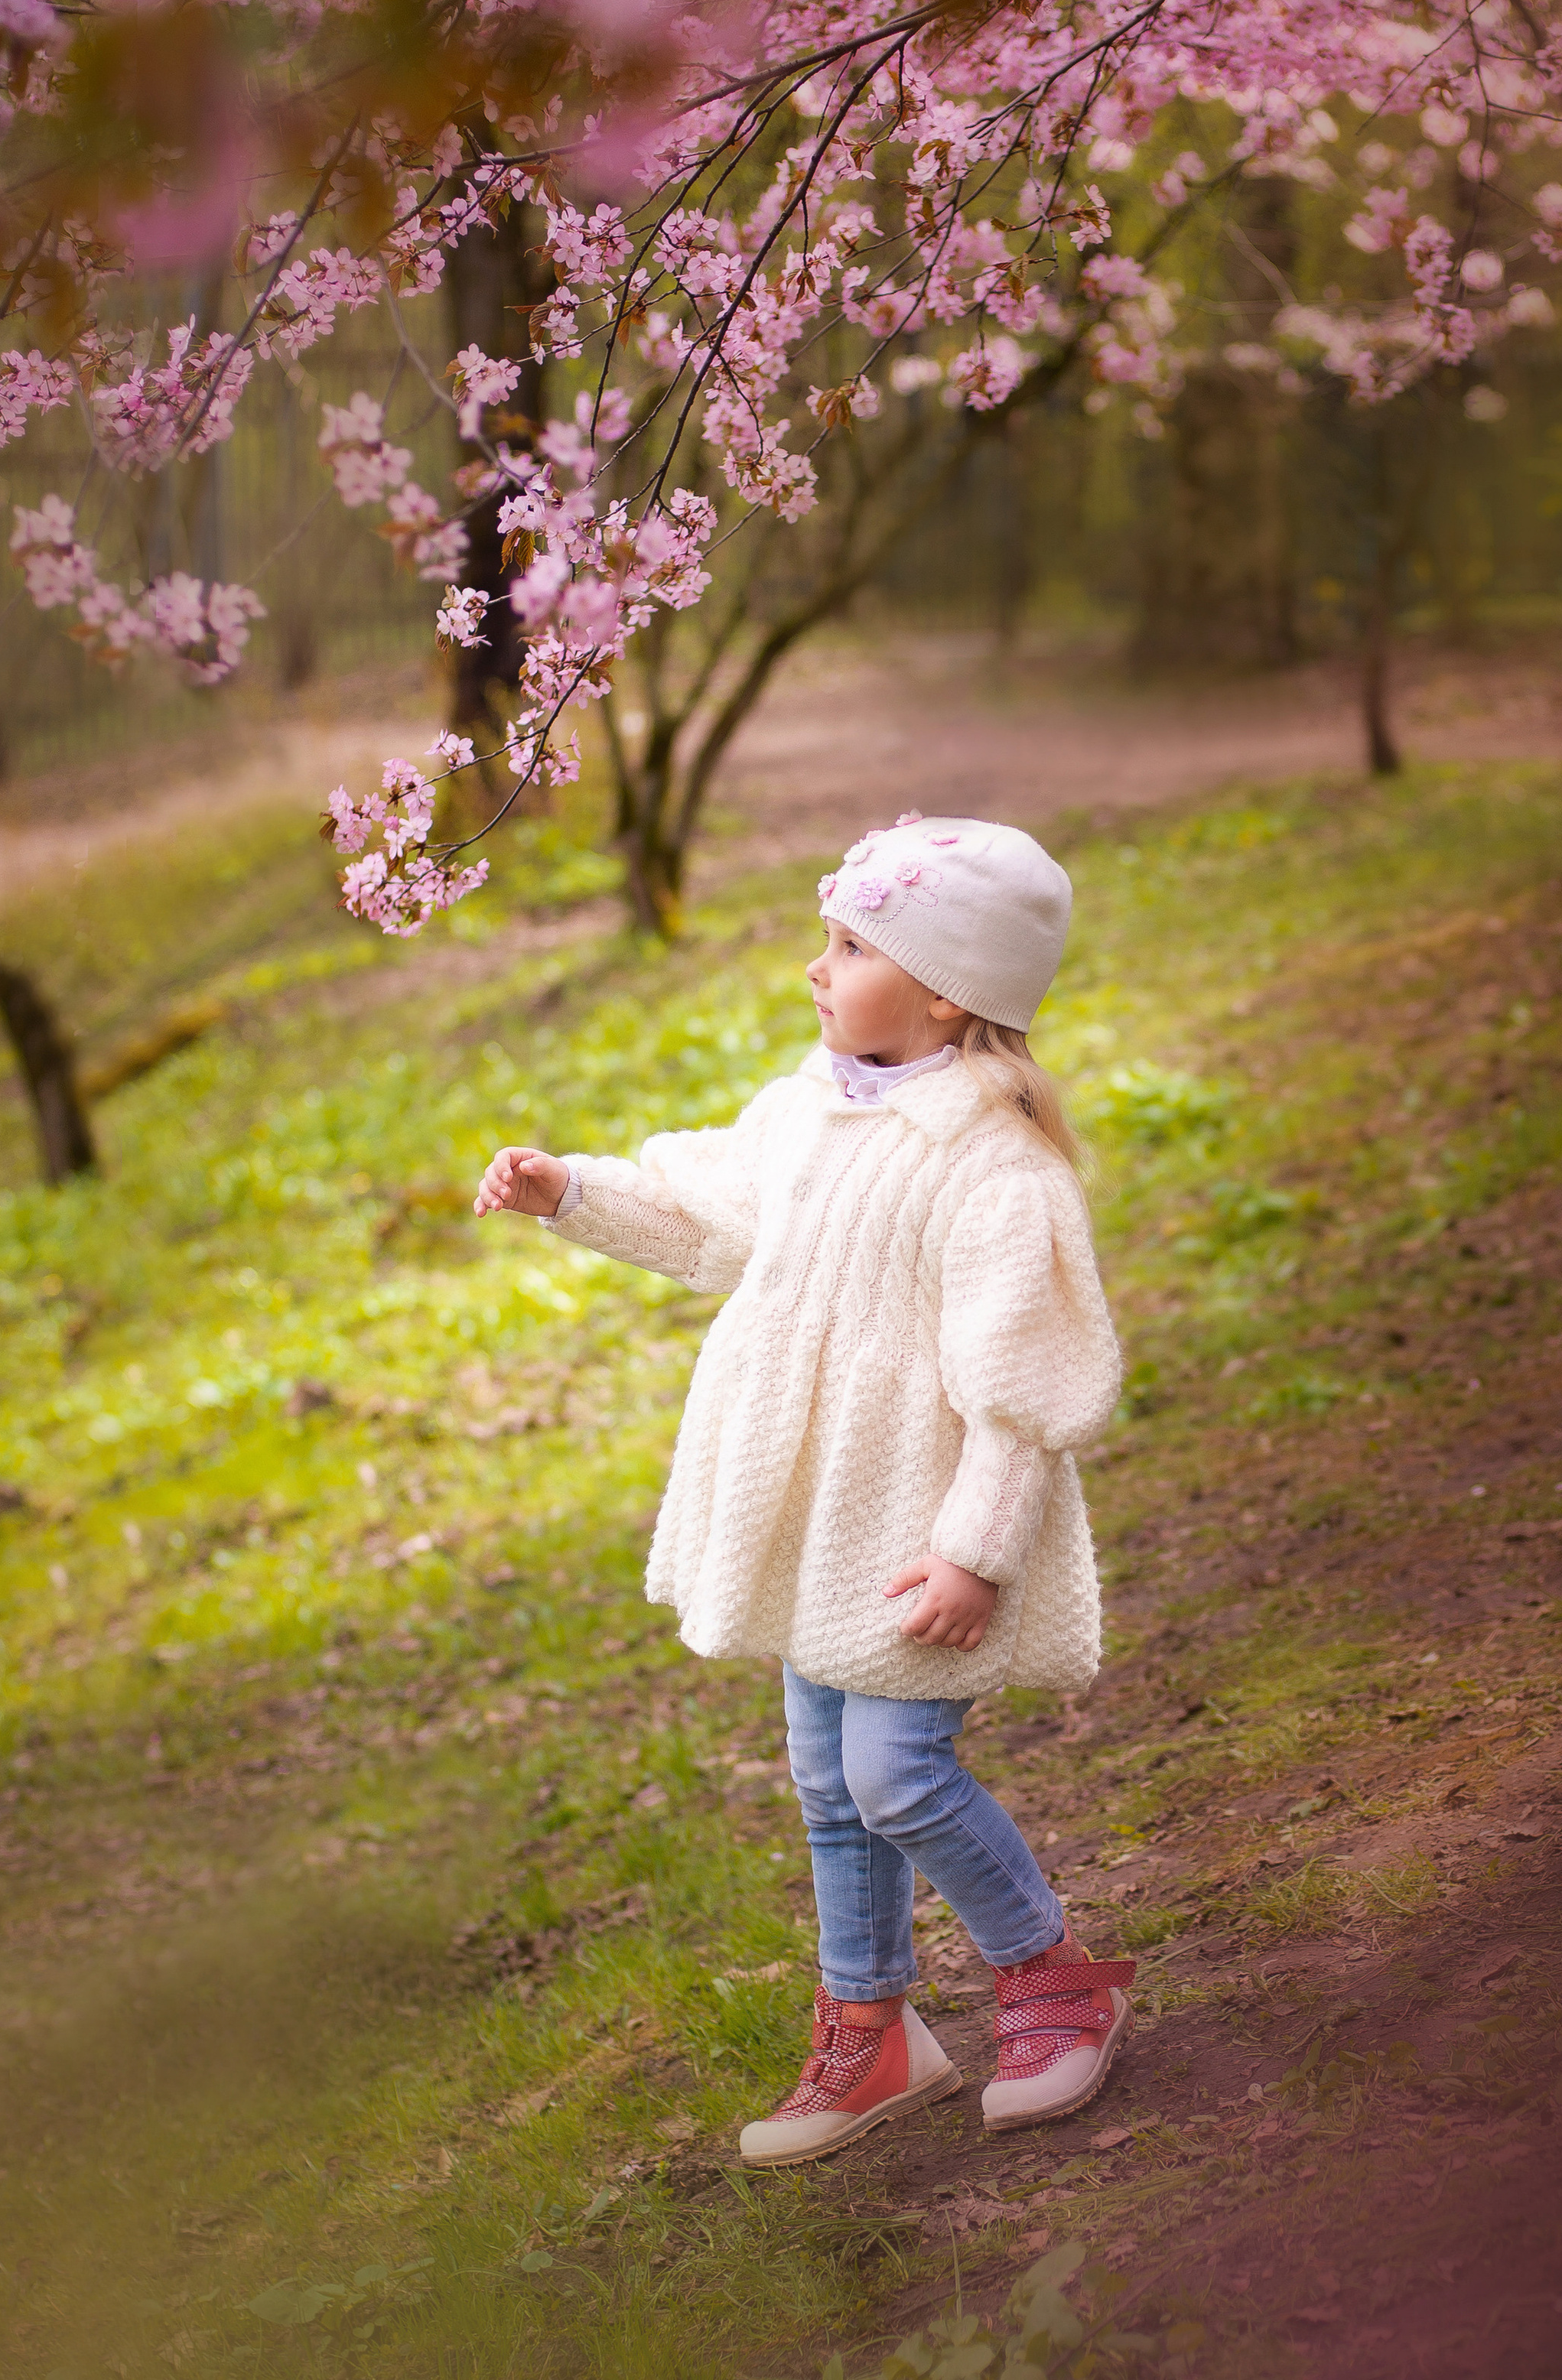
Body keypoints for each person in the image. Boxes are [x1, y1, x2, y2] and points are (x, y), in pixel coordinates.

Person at [474, 811, 1132, 2166]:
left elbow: (1025, 1398)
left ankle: (1055, 1976)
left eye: (848, 945)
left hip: (914, 1522)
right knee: (828, 1778)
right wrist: (569, 1194)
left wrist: (978, 1552)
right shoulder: (811, 1110)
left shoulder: (996, 1169)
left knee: (897, 1772)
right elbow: (711, 1220)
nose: (816, 971)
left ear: (945, 991)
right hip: (813, 1510)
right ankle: (874, 2026)